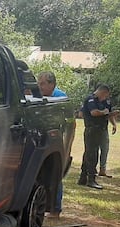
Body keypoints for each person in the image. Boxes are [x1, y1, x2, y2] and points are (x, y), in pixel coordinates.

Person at [37, 71, 68, 218]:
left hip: (56, 141)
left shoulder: (61, 98)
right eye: (39, 82)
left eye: (42, 83)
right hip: (41, 139)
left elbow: (70, 124)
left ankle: (55, 209)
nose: (39, 86)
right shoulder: (38, 96)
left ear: (52, 84)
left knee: (56, 175)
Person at [78, 84, 117, 190]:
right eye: (105, 95)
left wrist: (112, 117)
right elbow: (93, 112)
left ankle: (83, 178)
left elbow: (107, 113)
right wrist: (103, 112)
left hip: (101, 128)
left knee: (89, 153)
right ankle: (91, 179)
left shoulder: (105, 102)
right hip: (92, 129)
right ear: (102, 92)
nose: (106, 98)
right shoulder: (91, 99)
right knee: (92, 154)